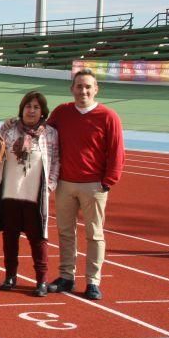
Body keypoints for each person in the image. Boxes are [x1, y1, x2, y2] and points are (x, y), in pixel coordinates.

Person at [46, 68, 125, 300]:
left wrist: (107, 182)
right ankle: (66, 276)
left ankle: (93, 281)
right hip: (65, 184)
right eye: (79, 86)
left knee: (95, 234)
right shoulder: (62, 112)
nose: (83, 91)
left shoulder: (108, 116)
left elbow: (117, 152)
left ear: (96, 89)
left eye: (88, 86)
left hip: (94, 186)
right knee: (65, 232)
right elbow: (44, 135)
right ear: (72, 89)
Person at [0, 91, 59, 297]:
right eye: (28, 106)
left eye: (36, 107)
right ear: (22, 109)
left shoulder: (50, 133)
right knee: (10, 236)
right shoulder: (9, 129)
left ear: (42, 111)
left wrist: (50, 185)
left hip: (35, 194)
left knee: (38, 238)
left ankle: (41, 280)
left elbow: (56, 161)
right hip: (10, 191)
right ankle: (10, 275)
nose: (31, 110)